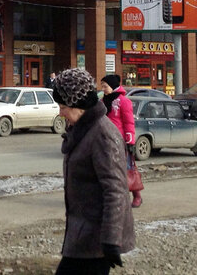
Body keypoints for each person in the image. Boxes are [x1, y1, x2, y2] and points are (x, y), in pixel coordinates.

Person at [51, 68, 134, 273]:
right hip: (83, 236)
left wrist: (111, 240)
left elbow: (115, 190)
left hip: (96, 241)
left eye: (63, 107)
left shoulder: (102, 134)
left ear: (79, 105)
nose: (60, 113)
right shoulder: (82, 130)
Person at [99, 74, 141, 208]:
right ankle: (112, 197)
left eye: (105, 86)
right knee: (108, 170)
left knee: (127, 169)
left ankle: (137, 195)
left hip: (120, 141)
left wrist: (130, 141)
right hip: (105, 140)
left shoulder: (123, 101)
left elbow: (129, 122)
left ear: (113, 86)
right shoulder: (102, 101)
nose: (103, 89)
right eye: (102, 86)